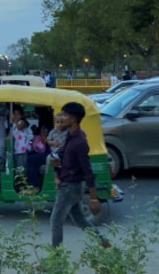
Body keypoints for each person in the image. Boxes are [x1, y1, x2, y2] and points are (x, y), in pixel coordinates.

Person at [49, 102, 110, 248]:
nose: (62, 118)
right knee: (80, 220)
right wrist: (58, 163)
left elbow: (87, 171)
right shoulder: (70, 135)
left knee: (56, 222)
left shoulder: (80, 141)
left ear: (73, 119)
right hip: (70, 184)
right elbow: (66, 157)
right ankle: (104, 243)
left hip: (70, 186)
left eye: (65, 115)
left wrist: (94, 199)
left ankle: (55, 261)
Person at [10, 105, 32, 170]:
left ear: (22, 115)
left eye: (18, 114)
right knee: (17, 166)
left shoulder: (22, 122)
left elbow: (19, 127)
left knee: (21, 167)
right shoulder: (13, 125)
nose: (16, 116)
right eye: (15, 114)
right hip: (17, 149)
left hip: (23, 148)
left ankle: (21, 179)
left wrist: (14, 120)